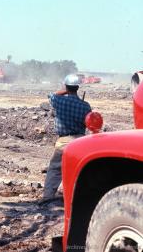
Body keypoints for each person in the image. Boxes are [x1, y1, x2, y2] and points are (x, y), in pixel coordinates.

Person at [41, 74, 91, 203]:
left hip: (64, 141)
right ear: (78, 87)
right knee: (79, 170)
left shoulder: (59, 100)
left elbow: (50, 95)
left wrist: (65, 90)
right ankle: (78, 197)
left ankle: (48, 196)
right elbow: (88, 123)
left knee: (55, 169)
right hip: (80, 142)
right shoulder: (85, 106)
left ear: (66, 86)